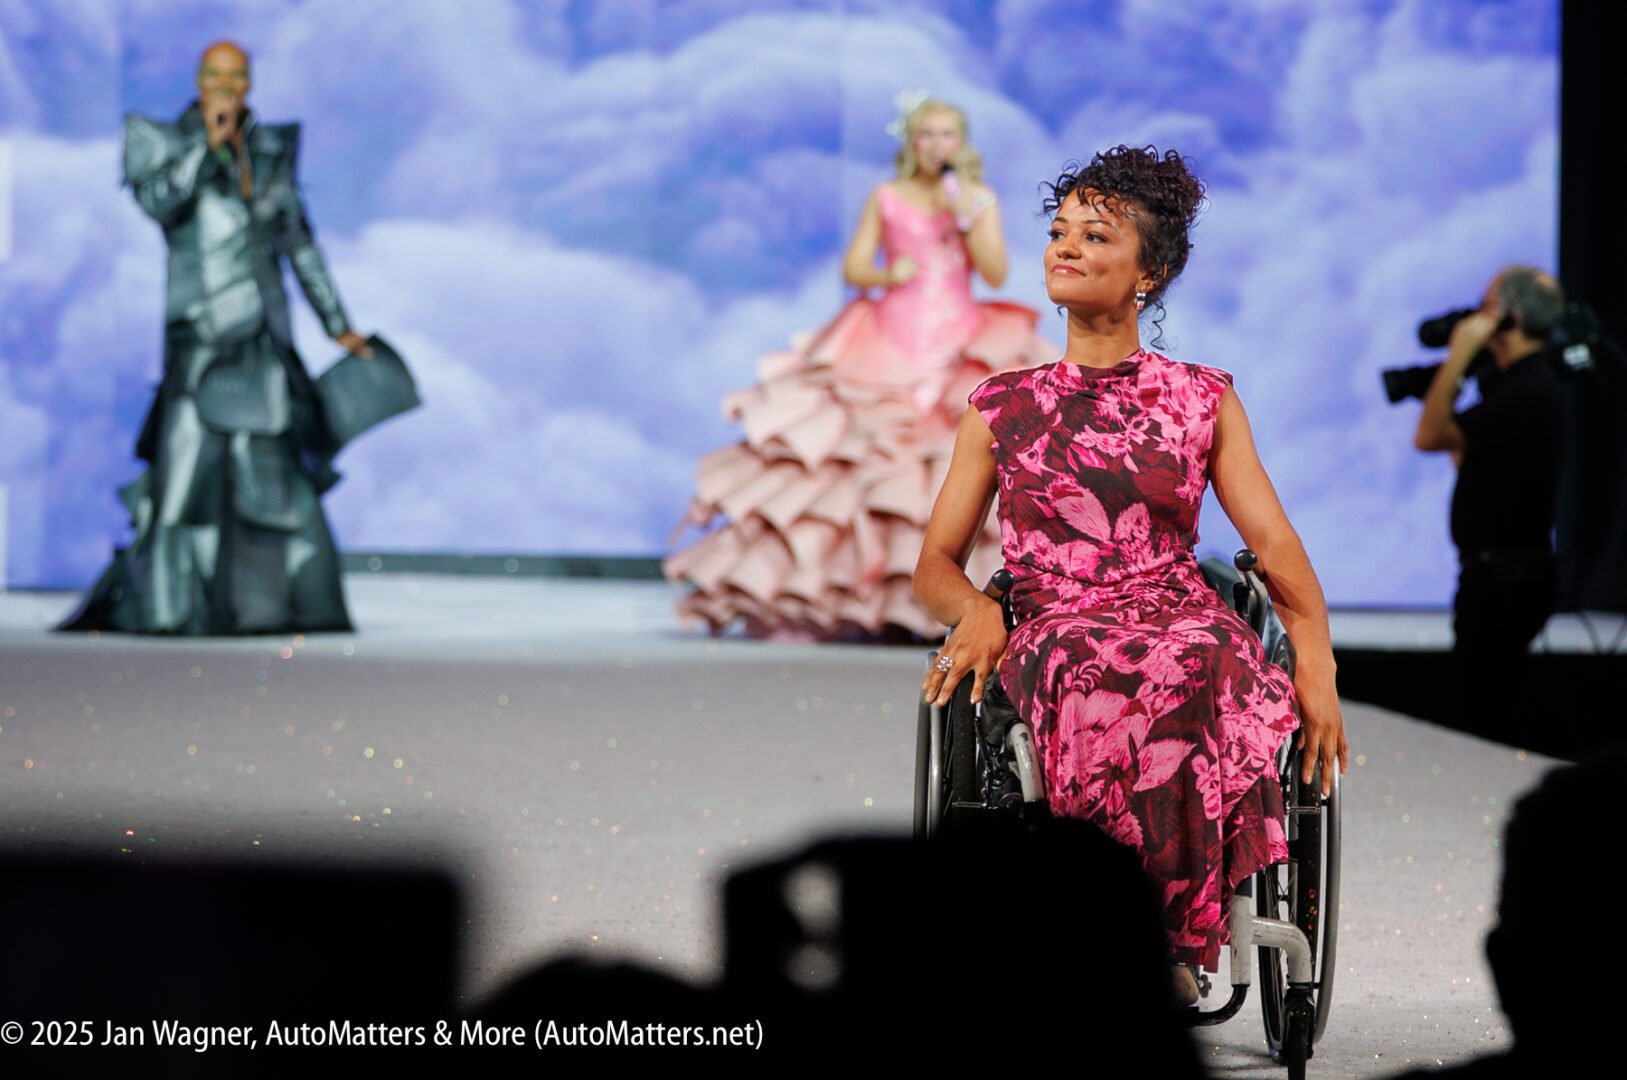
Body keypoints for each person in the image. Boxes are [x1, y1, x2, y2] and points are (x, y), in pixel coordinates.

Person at [913, 146, 1349, 1004]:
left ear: (1147, 272)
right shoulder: (1001, 407)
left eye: (1093, 235)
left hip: (1174, 607)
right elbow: (935, 564)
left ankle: (1175, 935)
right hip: (1053, 615)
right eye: (1056, 231)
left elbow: (1275, 543)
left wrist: (1317, 662)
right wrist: (977, 610)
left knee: (1203, 662)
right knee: (1087, 668)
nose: (1062, 248)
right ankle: (1111, 924)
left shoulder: (1200, 398)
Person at [664, 94, 1056, 640]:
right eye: (928, 135)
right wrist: (887, 273)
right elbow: (854, 264)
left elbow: (994, 273)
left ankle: (948, 604)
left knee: (955, 461)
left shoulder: (975, 199)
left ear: (962, 144)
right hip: (890, 337)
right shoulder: (887, 196)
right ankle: (869, 602)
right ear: (911, 142)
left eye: (948, 136)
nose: (938, 146)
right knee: (859, 461)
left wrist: (968, 218)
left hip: (960, 340)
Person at [58, 41, 372, 635]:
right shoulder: (164, 141)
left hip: (262, 336)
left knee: (274, 478)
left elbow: (299, 244)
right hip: (199, 336)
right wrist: (207, 143)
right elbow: (159, 203)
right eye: (213, 78)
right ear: (198, 83)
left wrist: (338, 324)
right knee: (183, 477)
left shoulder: (273, 152)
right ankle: (169, 607)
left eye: (236, 79)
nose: (224, 89)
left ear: (249, 85)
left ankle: (278, 607)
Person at [1412, 267, 1565, 728]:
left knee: (1485, 713)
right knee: (1484, 704)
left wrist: (1460, 354)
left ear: (1507, 316)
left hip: (1505, 583)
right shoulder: (1525, 384)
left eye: (1485, 307)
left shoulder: (1529, 388)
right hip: (1499, 574)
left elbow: (1430, 435)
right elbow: (1469, 458)